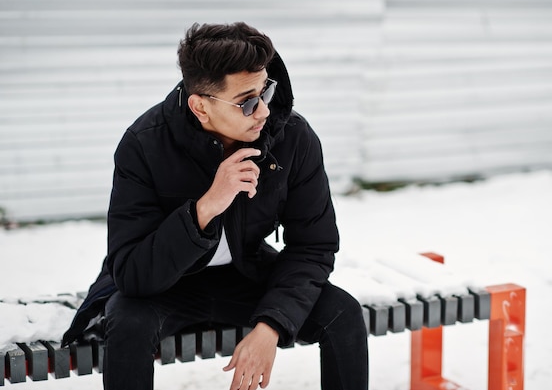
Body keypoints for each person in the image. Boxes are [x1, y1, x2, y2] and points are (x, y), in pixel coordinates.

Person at [61, 22, 369, 390]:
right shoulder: (144, 145)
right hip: (165, 284)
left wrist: (271, 326)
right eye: (247, 102)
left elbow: (313, 245)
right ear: (200, 107)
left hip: (246, 274)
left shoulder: (293, 138)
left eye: (265, 92)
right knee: (128, 324)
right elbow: (130, 272)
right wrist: (205, 207)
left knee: (344, 315)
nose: (263, 113)